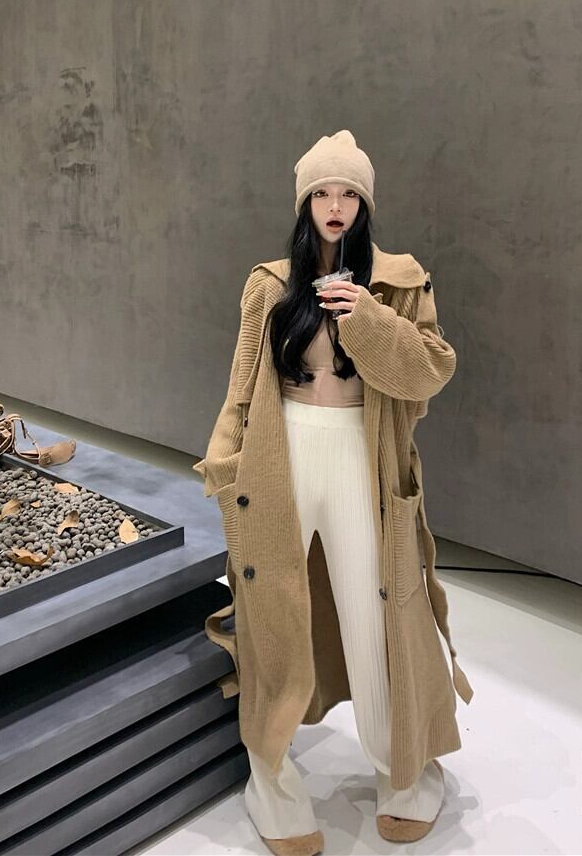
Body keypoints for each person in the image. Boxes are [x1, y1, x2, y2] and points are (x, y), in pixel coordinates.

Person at [193, 130, 473, 856]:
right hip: (278, 454)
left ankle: (404, 771)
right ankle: (272, 784)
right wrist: (225, 465)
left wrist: (369, 319)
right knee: (271, 616)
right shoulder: (269, 283)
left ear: (365, 202)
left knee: (376, 610)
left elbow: (431, 371)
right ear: (305, 202)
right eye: (322, 192)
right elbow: (243, 385)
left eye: (349, 192)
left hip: (360, 454)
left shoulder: (400, 279)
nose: (335, 204)